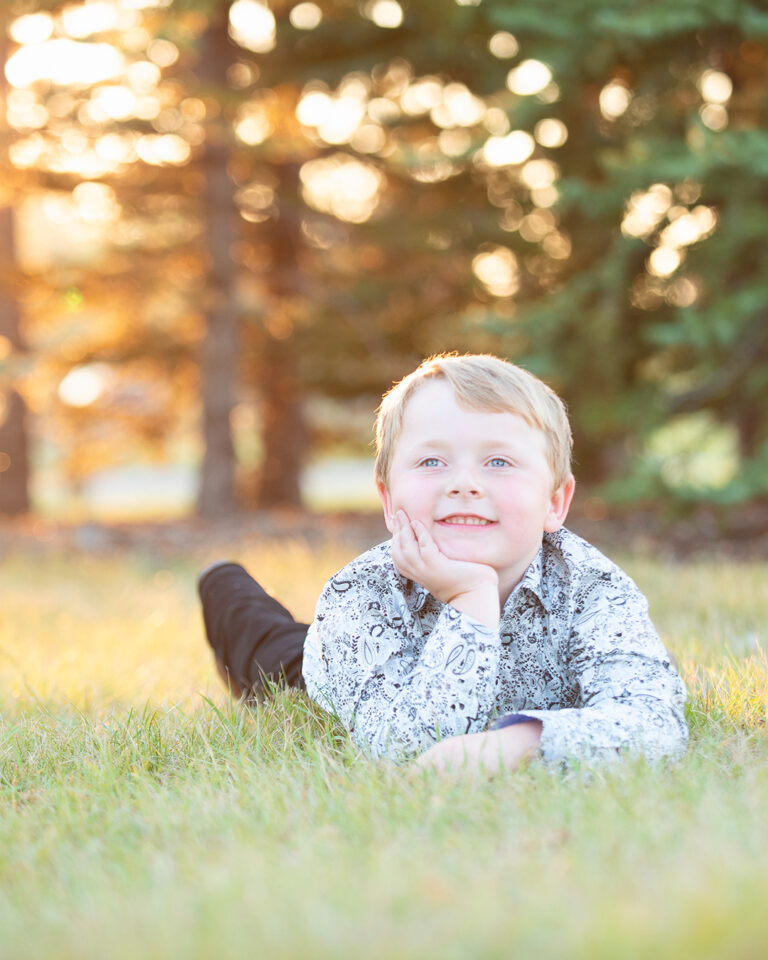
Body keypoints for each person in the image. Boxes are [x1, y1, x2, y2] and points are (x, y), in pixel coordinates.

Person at [198, 354, 688, 773]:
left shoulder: (592, 587)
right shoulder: (358, 597)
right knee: (271, 652)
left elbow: (656, 723)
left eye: (499, 462)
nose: (464, 483)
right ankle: (225, 586)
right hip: (340, 665)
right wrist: (470, 599)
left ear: (555, 503)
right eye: (432, 462)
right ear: (390, 502)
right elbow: (407, 748)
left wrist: (518, 744)